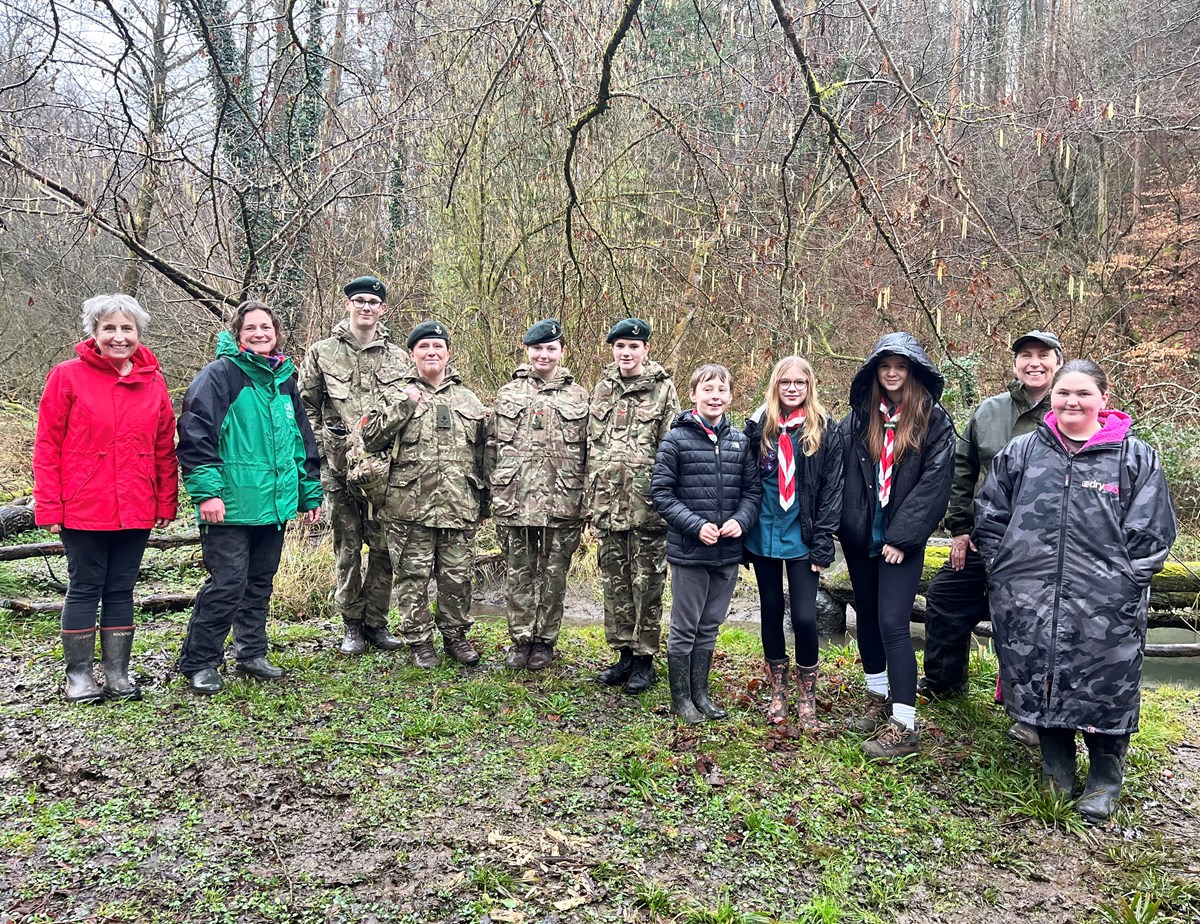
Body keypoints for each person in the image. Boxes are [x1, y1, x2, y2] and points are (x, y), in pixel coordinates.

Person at [974, 360, 1176, 821]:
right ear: (1053, 397)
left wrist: (1125, 582)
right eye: (1064, 393)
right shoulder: (1023, 451)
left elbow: (1153, 533)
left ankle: (1105, 776)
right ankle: (1056, 767)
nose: (1072, 402)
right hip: (1028, 595)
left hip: (1106, 602)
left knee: (1106, 684)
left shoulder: (1134, 457)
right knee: (1039, 675)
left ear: (1103, 399)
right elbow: (990, 513)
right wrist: (1002, 568)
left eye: (1083, 393)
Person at [919, 330, 1062, 749]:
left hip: (1042, 551)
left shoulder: (1071, 408)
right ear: (1015, 363)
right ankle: (945, 682)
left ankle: (1029, 712)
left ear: (1057, 361)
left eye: (1043, 356)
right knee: (945, 597)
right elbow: (962, 471)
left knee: (1031, 624)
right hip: (985, 538)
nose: (1034, 363)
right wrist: (959, 529)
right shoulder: (989, 410)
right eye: (1026, 356)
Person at [33, 294, 178, 703]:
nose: (118, 337)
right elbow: (47, 444)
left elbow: (165, 445)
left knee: (120, 587)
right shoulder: (66, 376)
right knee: (85, 585)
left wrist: (166, 499)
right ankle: (78, 675)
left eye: (126, 329)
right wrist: (49, 503)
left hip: (136, 503)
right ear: (94, 334)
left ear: (138, 333)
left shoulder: (153, 380)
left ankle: (117, 673)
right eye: (109, 329)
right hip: (83, 503)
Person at [176, 301, 322, 695]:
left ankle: (251, 653)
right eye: (251, 328)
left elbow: (301, 440)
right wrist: (207, 493)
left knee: (259, 582)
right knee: (227, 583)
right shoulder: (221, 376)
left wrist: (308, 493)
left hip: (273, 504)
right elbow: (195, 435)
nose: (260, 334)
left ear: (276, 334)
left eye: (266, 328)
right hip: (230, 505)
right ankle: (200, 661)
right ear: (237, 333)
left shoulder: (283, 380)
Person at [837, 333, 955, 758]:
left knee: (893, 624)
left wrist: (903, 538)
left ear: (913, 372)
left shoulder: (933, 421)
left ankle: (904, 721)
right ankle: (877, 693)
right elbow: (836, 470)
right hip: (860, 536)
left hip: (901, 541)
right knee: (866, 615)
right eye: (885, 366)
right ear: (874, 372)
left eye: (901, 366)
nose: (892, 373)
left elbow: (934, 485)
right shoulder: (858, 418)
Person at [359, 321, 487, 668]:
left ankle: (455, 636)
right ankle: (419, 641)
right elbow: (369, 439)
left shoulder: (468, 399)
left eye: (438, 347)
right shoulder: (394, 394)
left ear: (448, 352)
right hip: (408, 506)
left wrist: (484, 503)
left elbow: (483, 455)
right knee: (412, 577)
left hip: (458, 504)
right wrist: (404, 406)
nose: (432, 353)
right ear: (412, 353)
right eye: (424, 347)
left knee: (457, 577)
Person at [299, 275, 407, 656]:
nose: (365, 307)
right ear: (347, 305)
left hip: (383, 471)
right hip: (338, 467)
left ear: (382, 309)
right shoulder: (322, 352)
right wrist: (324, 443)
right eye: (358, 300)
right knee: (347, 548)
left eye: (372, 302)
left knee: (382, 549)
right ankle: (351, 625)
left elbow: (406, 411)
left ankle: (377, 623)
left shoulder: (398, 357)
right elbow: (305, 405)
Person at [651, 364, 761, 723]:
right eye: (707, 390)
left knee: (711, 623)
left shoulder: (740, 441)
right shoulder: (675, 439)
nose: (715, 396)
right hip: (690, 551)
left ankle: (701, 692)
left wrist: (739, 521)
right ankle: (681, 698)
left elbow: (752, 491)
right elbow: (662, 494)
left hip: (727, 553)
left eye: (721, 391)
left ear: (730, 396)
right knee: (686, 625)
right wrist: (696, 526)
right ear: (694, 394)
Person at [743, 356, 844, 728]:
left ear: (809, 386)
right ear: (775, 385)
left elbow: (833, 490)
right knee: (770, 611)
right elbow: (746, 482)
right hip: (764, 533)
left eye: (800, 383)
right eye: (785, 382)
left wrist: (823, 541)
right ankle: (779, 692)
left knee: (803, 616)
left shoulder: (824, 429)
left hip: (803, 534)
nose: (792, 389)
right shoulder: (758, 427)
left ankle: (807, 695)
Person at [487, 319, 590, 671]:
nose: (544, 354)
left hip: (563, 499)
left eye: (551, 348)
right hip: (515, 497)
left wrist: (588, 499)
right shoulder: (508, 393)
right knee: (518, 572)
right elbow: (491, 447)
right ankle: (520, 641)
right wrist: (493, 492)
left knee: (554, 573)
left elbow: (590, 451)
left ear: (562, 351)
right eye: (537, 348)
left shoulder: (580, 396)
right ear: (527, 350)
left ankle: (545, 641)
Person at [587, 318, 680, 694]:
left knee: (647, 584)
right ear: (613, 350)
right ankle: (623, 653)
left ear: (646, 350)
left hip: (647, 508)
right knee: (615, 583)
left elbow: (670, 450)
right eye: (620, 347)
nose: (626, 353)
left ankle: (645, 659)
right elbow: (591, 447)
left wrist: (664, 499)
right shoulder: (602, 389)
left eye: (633, 347)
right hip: (607, 505)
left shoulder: (663, 391)